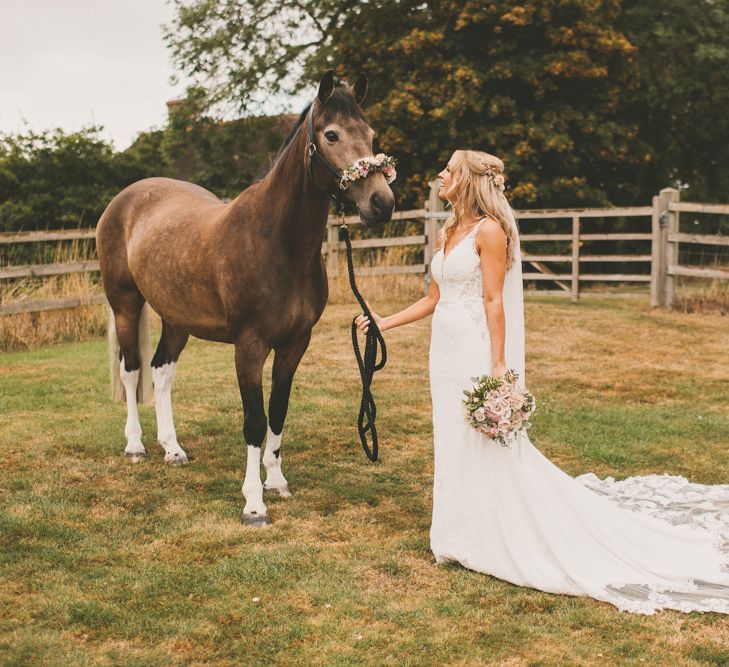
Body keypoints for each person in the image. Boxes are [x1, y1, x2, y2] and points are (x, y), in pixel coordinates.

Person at [355, 149, 729, 615]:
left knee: (482, 442)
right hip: (442, 354)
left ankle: (492, 535)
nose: (441, 176)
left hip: (473, 350)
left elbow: (494, 301)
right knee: (450, 440)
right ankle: (455, 533)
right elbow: (435, 296)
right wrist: (383, 321)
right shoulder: (447, 230)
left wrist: (498, 366)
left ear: (469, 180)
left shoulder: (490, 231)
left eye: (449, 172)